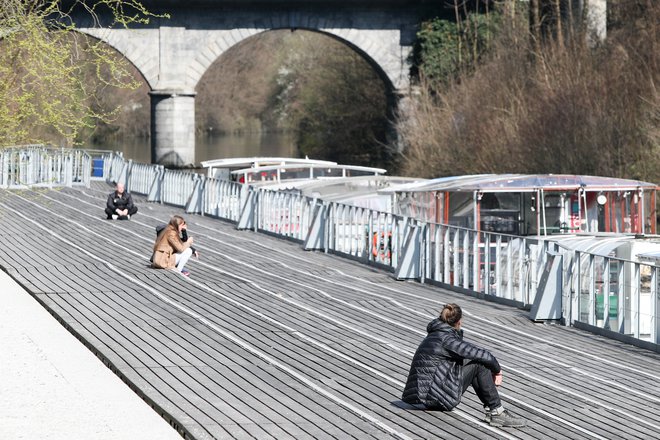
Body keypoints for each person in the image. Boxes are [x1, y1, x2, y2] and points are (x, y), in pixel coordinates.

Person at [402, 303, 526, 428]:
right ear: (459, 321)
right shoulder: (447, 339)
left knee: (472, 361)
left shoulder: (434, 335)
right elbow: (482, 354)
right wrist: (497, 371)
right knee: (479, 364)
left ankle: (492, 410)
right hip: (435, 397)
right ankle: (496, 411)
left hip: (424, 395)